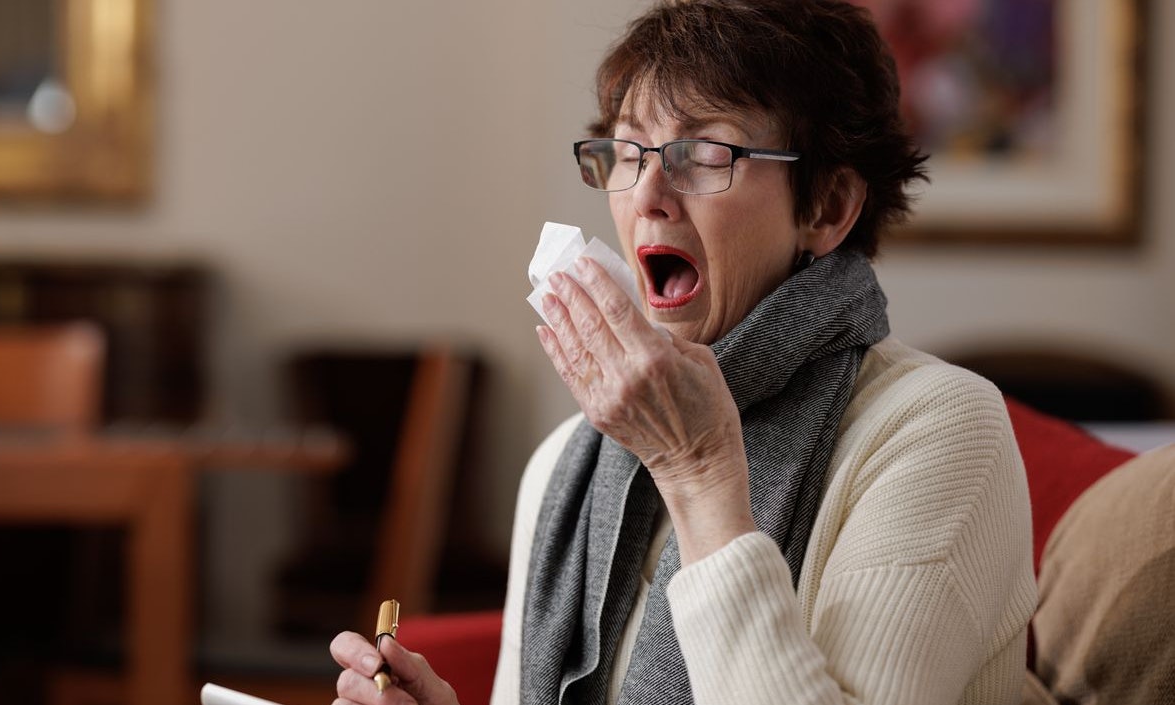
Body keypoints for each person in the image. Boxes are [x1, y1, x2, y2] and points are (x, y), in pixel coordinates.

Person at [330, 1, 1037, 703]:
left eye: (702, 154)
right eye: (628, 151)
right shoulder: (562, 464)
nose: (646, 195)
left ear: (825, 207)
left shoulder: (940, 430)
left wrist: (698, 471)